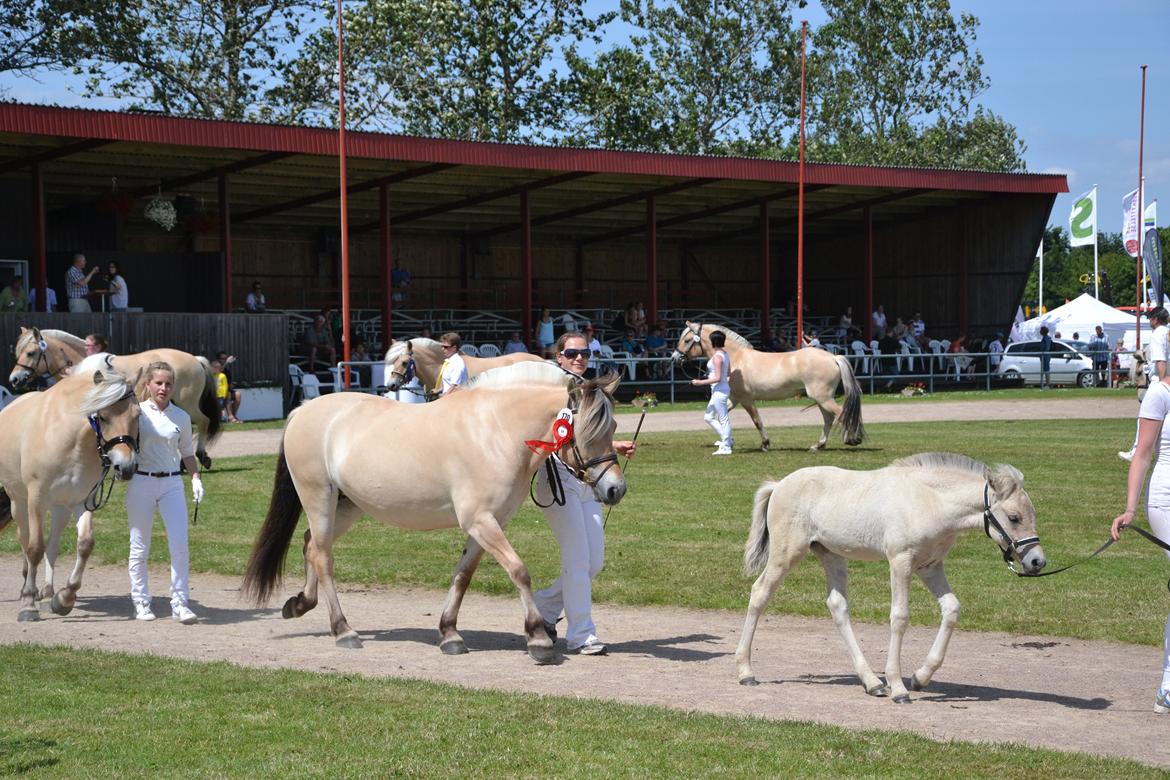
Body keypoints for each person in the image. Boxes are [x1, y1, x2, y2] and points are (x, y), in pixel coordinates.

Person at [534, 331, 636, 656]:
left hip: (586, 480)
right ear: (559, 356)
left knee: (594, 562)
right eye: (572, 352)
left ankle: (542, 609)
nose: (580, 358)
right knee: (577, 558)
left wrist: (614, 445)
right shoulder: (548, 392)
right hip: (556, 478)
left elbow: (589, 437)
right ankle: (581, 635)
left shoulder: (591, 393)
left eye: (585, 353)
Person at [1110, 370, 1170, 714]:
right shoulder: (1159, 395)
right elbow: (1143, 454)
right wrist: (1130, 509)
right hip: (1165, 500)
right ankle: (1167, 685)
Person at [126, 361, 203, 624]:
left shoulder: (180, 417)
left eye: (168, 384)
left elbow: (187, 453)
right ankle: (141, 602)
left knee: (179, 544)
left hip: (172, 483)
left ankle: (180, 603)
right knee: (139, 546)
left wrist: (195, 479)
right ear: (148, 384)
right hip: (142, 482)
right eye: (158, 382)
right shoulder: (136, 413)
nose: (164, 388)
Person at [1122, 309, 1169, 461]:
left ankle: (1136, 451)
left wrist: (1163, 384)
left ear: (1156, 319)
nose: (1149, 321)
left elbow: (1160, 360)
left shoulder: (1157, 334)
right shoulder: (1167, 332)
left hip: (1159, 380)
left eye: (1150, 318)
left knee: (1144, 416)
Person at [691, 330, 733, 455]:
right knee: (708, 417)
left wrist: (699, 382)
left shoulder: (717, 357)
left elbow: (719, 378)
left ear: (713, 342)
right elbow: (728, 373)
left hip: (719, 391)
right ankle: (728, 440)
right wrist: (710, 376)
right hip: (720, 390)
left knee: (723, 418)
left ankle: (726, 447)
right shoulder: (725, 354)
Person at [434, 332, 468, 396]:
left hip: (455, 399)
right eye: (442, 346)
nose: (442, 349)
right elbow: (449, 383)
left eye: (445, 347)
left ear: (454, 348)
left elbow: (455, 386)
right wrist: (439, 391)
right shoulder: (449, 362)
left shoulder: (457, 363)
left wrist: (444, 398)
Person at [215, 351, 242, 422]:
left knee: (237, 394)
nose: (224, 360)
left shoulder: (227, 372)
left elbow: (229, 385)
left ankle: (233, 416)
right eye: (222, 358)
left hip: (225, 392)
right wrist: (227, 362)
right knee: (228, 394)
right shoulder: (214, 367)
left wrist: (230, 386)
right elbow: (218, 372)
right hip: (216, 393)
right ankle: (231, 417)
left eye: (225, 358)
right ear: (218, 359)